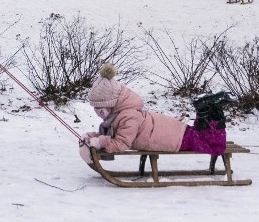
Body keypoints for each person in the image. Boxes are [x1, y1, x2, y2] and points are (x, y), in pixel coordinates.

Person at [79, 64, 229, 164]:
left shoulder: (127, 117)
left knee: (215, 146)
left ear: (110, 105)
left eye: (99, 108)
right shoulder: (123, 113)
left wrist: (100, 142)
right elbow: (115, 137)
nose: (98, 113)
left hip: (174, 138)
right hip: (174, 132)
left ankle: (211, 110)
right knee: (201, 137)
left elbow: (121, 144)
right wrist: (93, 137)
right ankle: (207, 109)